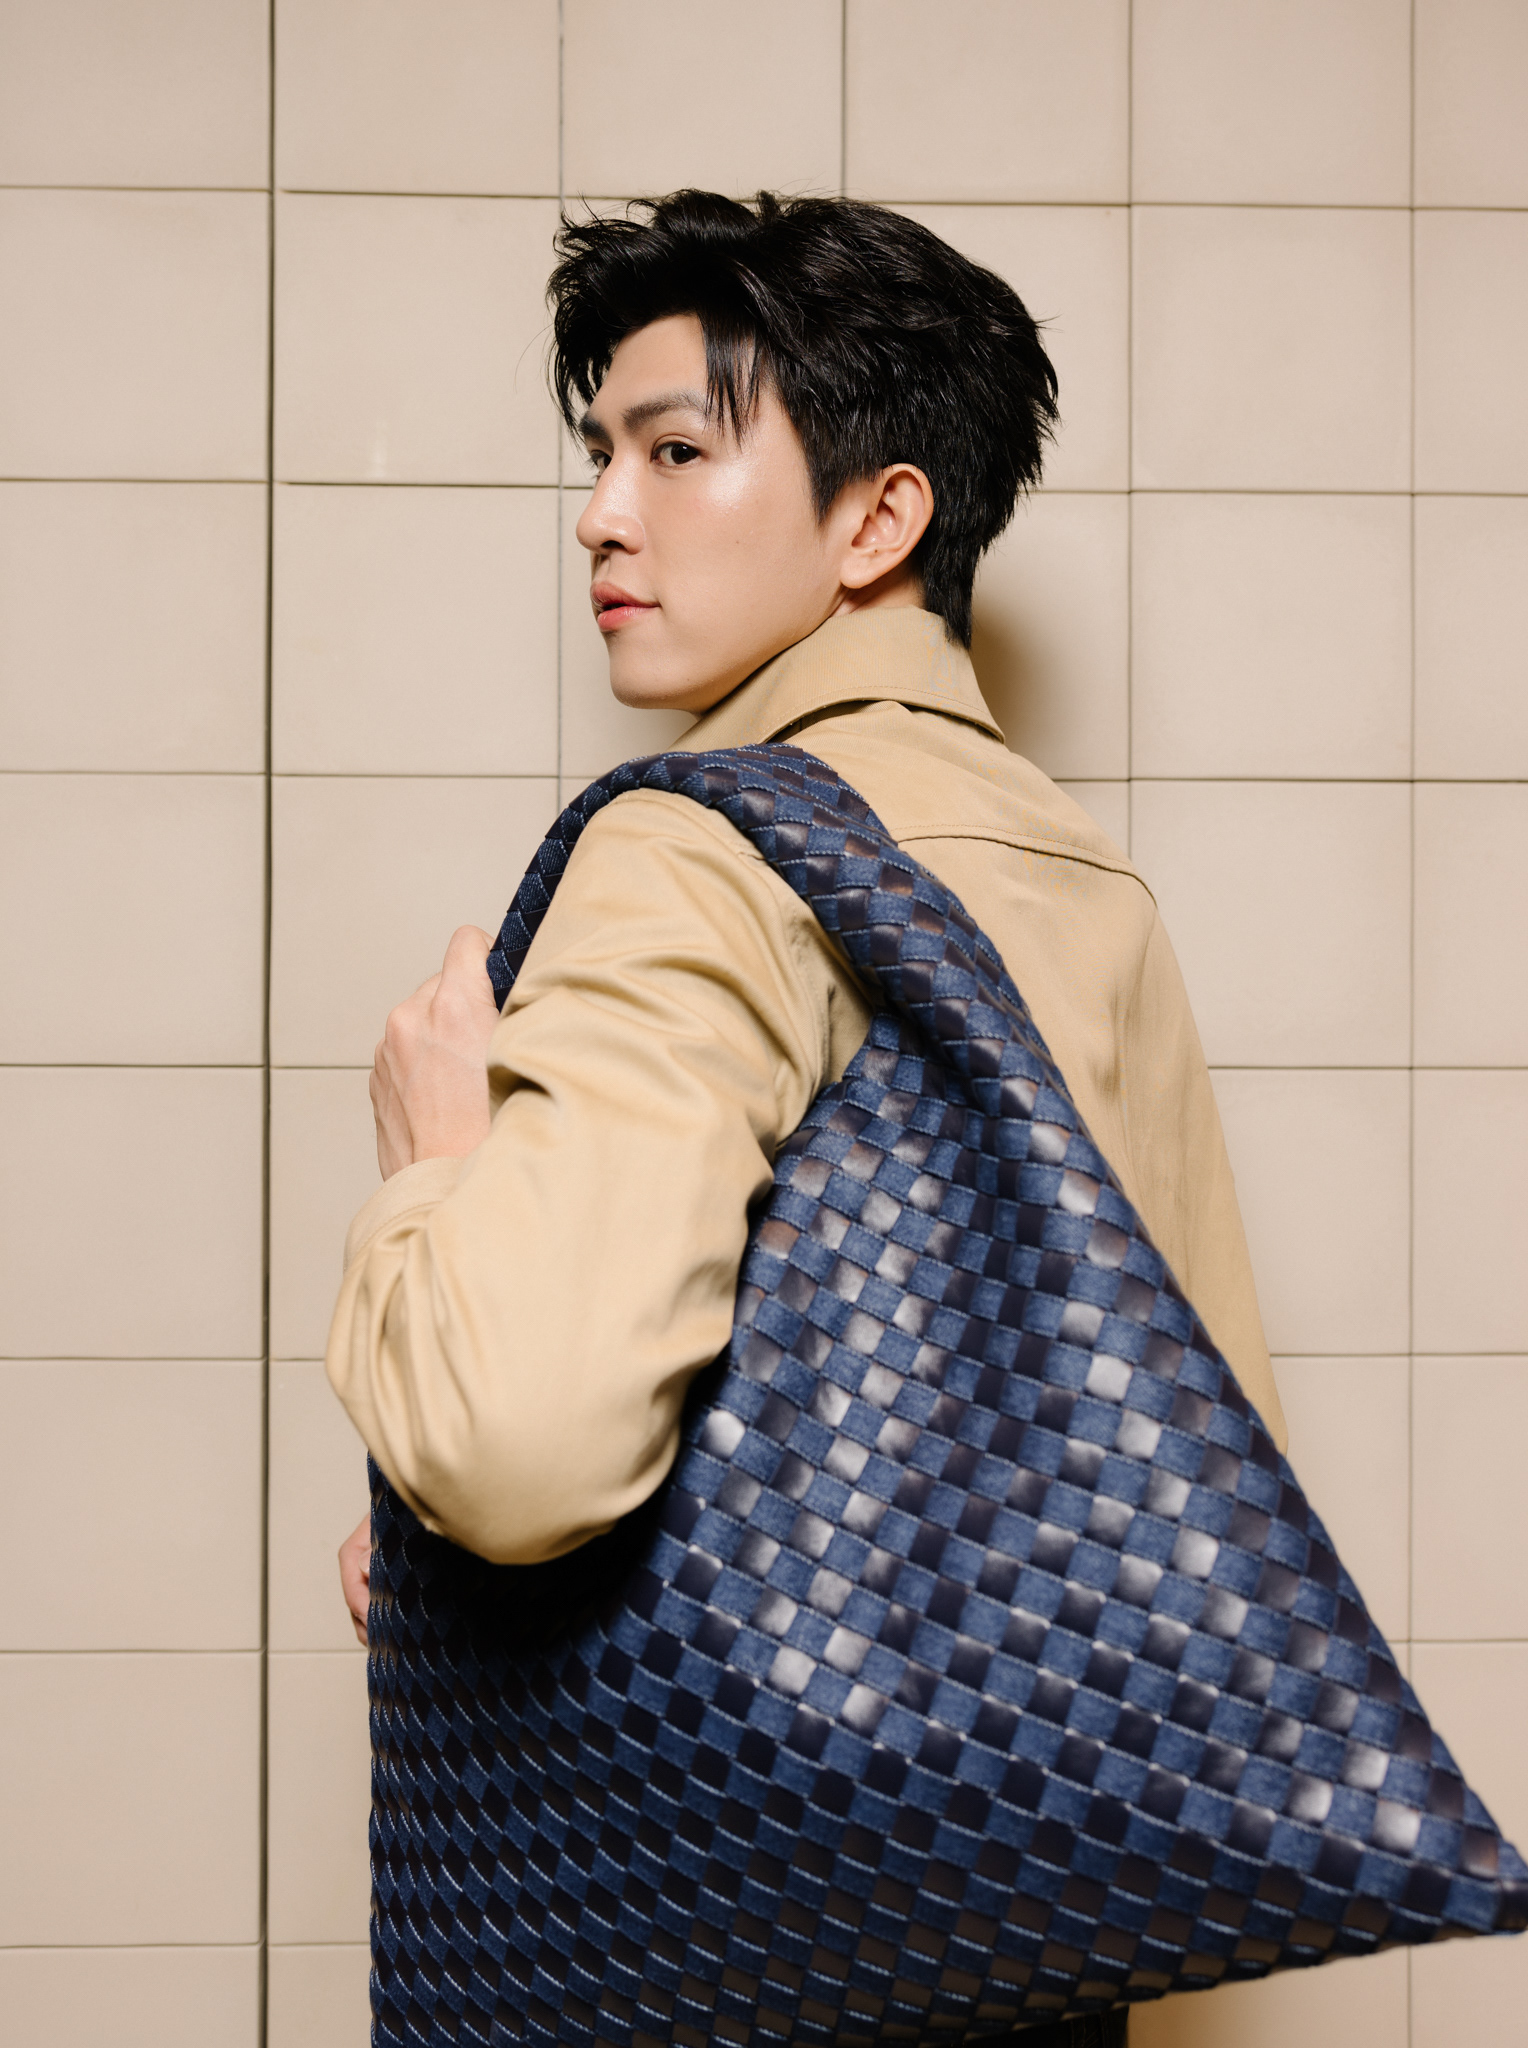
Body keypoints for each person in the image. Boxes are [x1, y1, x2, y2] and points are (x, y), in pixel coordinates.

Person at [329, 190, 1286, 2046]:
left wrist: (438, 1176)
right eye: (600, 455)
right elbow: (1174, 1470)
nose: (602, 514)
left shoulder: (694, 850)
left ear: (878, 518)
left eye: (675, 451)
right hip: (1019, 1928)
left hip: (700, 1936)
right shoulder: (1087, 882)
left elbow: (520, 1449)